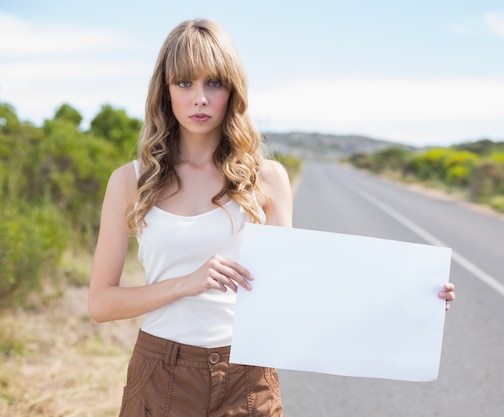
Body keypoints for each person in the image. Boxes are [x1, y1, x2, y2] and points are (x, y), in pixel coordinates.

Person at [88, 18, 456, 417]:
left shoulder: (267, 179)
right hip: (162, 373)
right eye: (184, 83)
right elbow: (101, 303)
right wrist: (185, 284)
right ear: (164, 90)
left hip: (248, 376)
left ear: (232, 90)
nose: (199, 98)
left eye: (214, 83)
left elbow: (297, 292)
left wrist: (410, 297)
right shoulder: (131, 181)